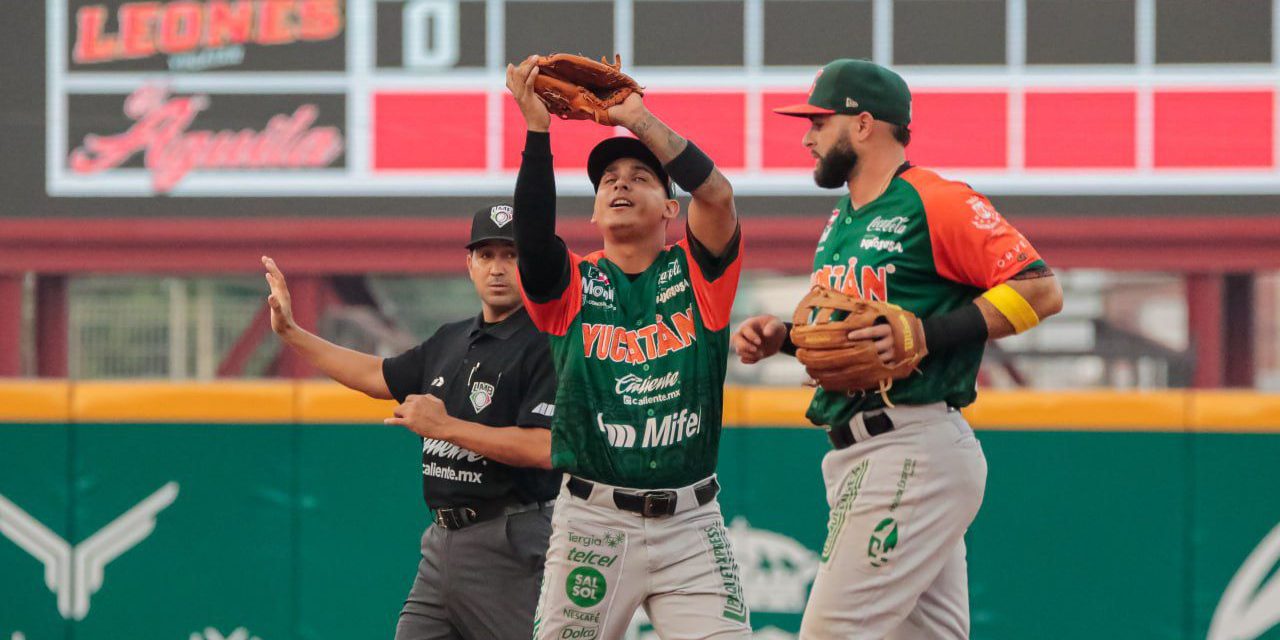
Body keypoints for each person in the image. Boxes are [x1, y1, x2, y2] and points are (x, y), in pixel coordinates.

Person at [732, 59, 1064, 639]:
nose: (807, 135)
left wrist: (928, 334)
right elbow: (853, 340)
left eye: (820, 120)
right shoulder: (843, 219)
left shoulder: (935, 199)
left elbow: (1041, 289)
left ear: (863, 124)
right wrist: (785, 338)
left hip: (908, 446)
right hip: (867, 450)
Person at [505, 55, 752, 640]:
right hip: (593, 521)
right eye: (608, 179)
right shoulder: (571, 287)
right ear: (593, 211)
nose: (619, 182)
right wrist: (536, 131)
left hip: (692, 522)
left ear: (671, 209)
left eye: (639, 177)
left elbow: (715, 195)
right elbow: (533, 240)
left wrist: (639, 121)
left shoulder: (699, 276)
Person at [261, 204, 561, 640]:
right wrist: (291, 333)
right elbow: (374, 375)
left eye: (511, 255)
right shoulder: (451, 338)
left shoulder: (545, 344)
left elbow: (543, 448)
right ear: (469, 264)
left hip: (508, 538)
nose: (498, 268)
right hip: (441, 541)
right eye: (486, 255)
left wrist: (447, 427)